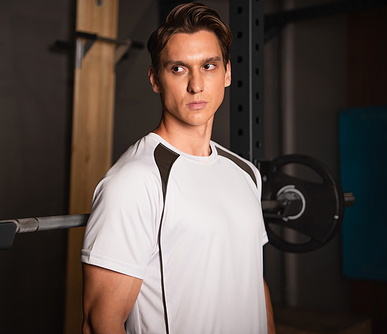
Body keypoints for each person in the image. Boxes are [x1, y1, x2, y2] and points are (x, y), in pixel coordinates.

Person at [80, 3, 276, 333]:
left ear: (227, 74)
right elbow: (100, 322)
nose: (196, 85)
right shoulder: (134, 182)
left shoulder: (245, 173)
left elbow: (254, 282)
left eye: (209, 66)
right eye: (179, 69)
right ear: (155, 78)